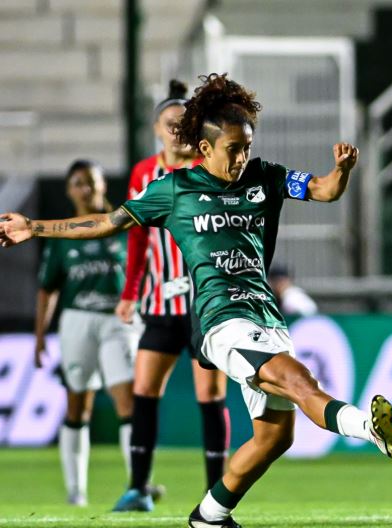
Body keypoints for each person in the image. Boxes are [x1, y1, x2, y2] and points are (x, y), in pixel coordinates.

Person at [1, 73, 392, 528]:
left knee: (275, 438)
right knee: (298, 380)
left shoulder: (266, 177)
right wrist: (34, 227)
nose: (242, 157)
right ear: (205, 148)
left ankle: (209, 516)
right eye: (233, 148)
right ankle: (368, 427)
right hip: (221, 320)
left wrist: (342, 171)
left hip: (266, 317)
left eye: (247, 146)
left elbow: (324, 190)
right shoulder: (174, 190)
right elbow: (107, 222)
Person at [112, 80, 229, 513]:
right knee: (144, 391)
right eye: (170, 124)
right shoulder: (144, 173)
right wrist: (130, 293)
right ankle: (138, 488)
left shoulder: (209, 168)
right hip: (160, 303)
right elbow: (137, 236)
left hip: (203, 307)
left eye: (184, 124)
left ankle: (217, 493)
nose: (177, 131)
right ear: (156, 129)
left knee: (209, 396)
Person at [33, 159, 138, 506]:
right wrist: (39, 338)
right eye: (78, 183)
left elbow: (144, 271)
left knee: (128, 402)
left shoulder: (124, 225)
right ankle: (76, 490)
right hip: (77, 320)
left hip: (118, 321)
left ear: (103, 184)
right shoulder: (62, 235)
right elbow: (47, 288)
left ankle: (138, 484)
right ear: (68, 190)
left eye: (91, 181)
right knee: (78, 406)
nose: (85, 189)